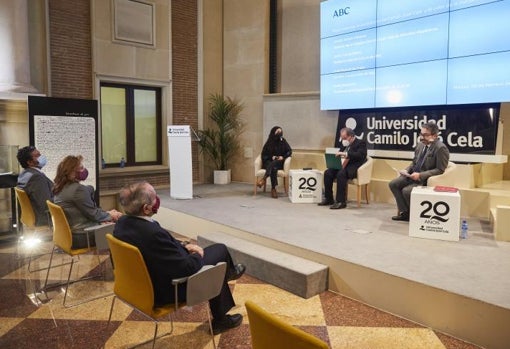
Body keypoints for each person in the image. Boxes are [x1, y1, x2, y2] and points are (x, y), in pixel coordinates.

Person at [113, 181, 246, 334]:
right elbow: (186, 268)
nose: (157, 200)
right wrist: (196, 255)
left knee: (218, 265)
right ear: (146, 208)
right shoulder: (152, 233)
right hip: (169, 289)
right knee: (220, 252)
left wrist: (184, 246)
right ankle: (221, 316)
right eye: (155, 198)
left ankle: (228, 273)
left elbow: (161, 247)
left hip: (137, 287)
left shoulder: (122, 224)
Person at [53, 155, 122, 248]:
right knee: (123, 230)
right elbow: (94, 214)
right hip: (82, 236)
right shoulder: (78, 190)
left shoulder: (60, 187)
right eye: (81, 168)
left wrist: (106, 215)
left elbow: (88, 212)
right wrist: (111, 215)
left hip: (67, 235)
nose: (84, 170)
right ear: (73, 171)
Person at [389, 121, 450, 221]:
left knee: (406, 191)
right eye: (421, 134)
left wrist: (420, 175)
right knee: (393, 184)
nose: (422, 137)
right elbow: (414, 162)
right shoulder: (420, 145)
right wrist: (406, 170)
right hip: (412, 175)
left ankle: (415, 215)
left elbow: (440, 170)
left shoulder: (440, 148)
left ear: (434, 136)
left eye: (425, 135)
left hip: (425, 179)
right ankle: (405, 212)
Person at [318, 127, 367, 209]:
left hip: (353, 167)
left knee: (341, 174)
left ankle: (341, 201)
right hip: (341, 165)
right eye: (342, 138)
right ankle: (329, 198)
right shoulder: (345, 144)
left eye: (344, 138)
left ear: (351, 136)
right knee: (328, 172)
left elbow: (360, 155)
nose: (343, 140)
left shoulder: (361, 143)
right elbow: (340, 154)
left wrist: (346, 154)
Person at [16, 146, 54, 226]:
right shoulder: (36, 177)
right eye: (37, 156)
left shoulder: (24, 174)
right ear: (29, 162)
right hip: (44, 219)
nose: (41, 157)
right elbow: (46, 204)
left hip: (35, 216)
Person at [257, 126, 292, 198]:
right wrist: (271, 157)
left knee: (274, 164)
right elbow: (264, 154)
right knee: (273, 168)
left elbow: (289, 151)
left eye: (280, 131)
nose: (280, 133)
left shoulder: (283, 141)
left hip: (279, 162)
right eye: (278, 132)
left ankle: (264, 179)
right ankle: (273, 189)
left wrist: (283, 157)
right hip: (268, 162)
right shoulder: (269, 142)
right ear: (273, 132)